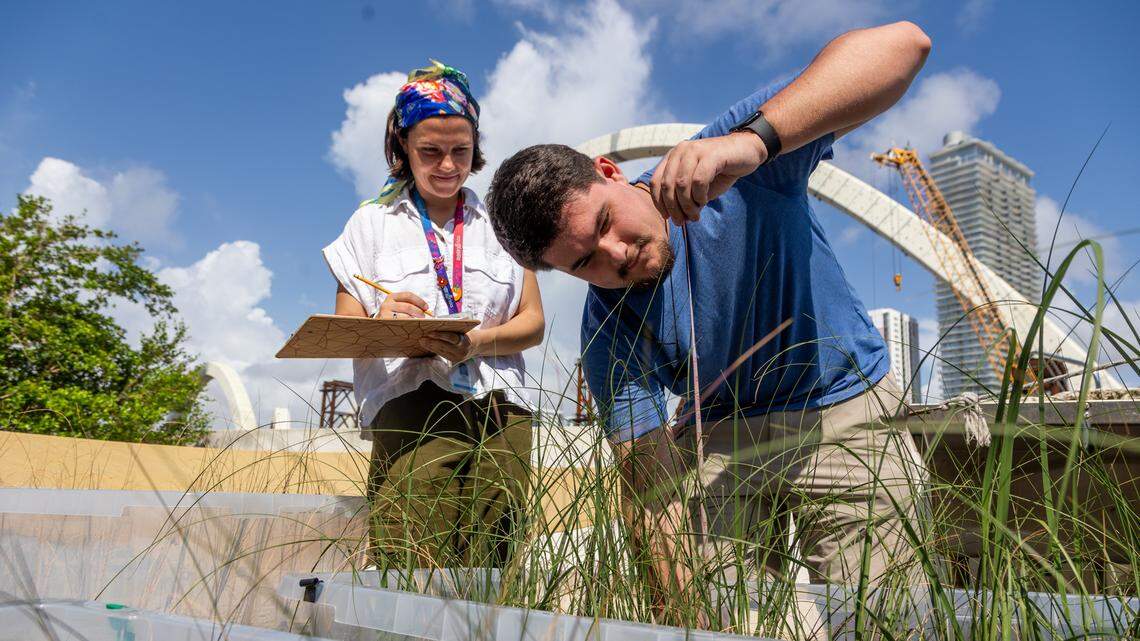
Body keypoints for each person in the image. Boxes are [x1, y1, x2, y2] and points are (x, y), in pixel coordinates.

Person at [485, 22, 932, 618]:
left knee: (886, 614)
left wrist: (756, 143)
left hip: (844, 407)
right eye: (585, 261)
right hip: (718, 433)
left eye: (603, 225)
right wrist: (689, 623)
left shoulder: (728, 159)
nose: (615, 255)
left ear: (611, 173)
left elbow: (906, 45)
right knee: (728, 613)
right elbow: (653, 494)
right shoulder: (607, 332)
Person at [323, 61, 544, 567]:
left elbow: (532, 321)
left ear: (476, 147)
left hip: (500, 412)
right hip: (410, 403)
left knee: (495, 565)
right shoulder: (369, 224)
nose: (447, 165)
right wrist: (382, 322)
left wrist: (477, 343)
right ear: (402, 146)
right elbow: (343, 328)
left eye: (460, 151)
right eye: (430, 152)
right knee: (409, 563)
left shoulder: (502, 223)